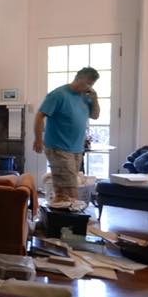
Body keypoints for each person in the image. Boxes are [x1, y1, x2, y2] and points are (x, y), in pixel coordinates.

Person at [33, 67, 100, 203]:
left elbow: (95, 115)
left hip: (77, 149)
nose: (90, 87)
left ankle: (57, 214)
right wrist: (38, 139)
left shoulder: (85, 97)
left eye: (92, 84)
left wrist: (95, 99)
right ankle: (69, 214)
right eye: (88, 83)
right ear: (79, 78)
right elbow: (40, 116)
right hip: (58, 148)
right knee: (70, 191)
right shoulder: (58, 95)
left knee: (63, 192)